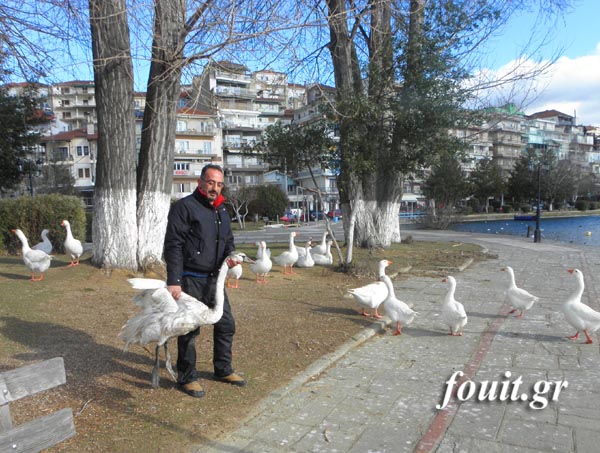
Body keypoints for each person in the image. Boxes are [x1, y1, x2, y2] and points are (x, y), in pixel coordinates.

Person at [163, 164, 246, 398]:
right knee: (189, 331)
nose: (215, 188)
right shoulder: (184, 207)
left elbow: (228, 240)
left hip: (214, 281)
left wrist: (232, 256)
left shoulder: (222, 211)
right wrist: (174, 280)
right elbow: (174, 245)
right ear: (200, 182)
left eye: (219, 184)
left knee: (226, 324)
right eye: (211, 182)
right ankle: (187, 377)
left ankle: (223, 369)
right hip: (190, 280)